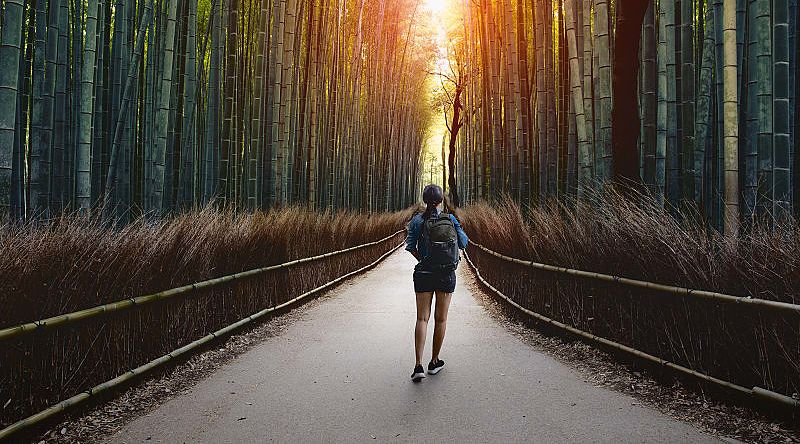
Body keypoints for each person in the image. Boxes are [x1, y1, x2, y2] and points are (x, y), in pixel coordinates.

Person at [405, 184, 468, 382]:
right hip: (445, 274)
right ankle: (434, 361)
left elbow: (410, 246)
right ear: (441, 201)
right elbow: (464, 243)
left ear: (424, 200)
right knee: (441, 319)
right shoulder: (450, 219)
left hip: (424, 272)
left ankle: (418, 366)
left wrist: (423, 260)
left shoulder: (417, 220)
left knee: (422, 319)